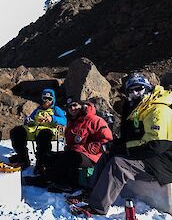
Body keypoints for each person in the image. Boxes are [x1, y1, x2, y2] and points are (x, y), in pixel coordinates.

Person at [71, 73, 172, 215]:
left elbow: (156, 145)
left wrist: (123, 149)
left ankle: (97, 207)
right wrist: (114, 146)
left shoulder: (157, 109)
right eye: (131, 91)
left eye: (139, 89)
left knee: (118, 164)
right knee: (107, 155)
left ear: (148, 89)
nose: (135, 93)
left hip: (161, 161)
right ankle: (91, 193)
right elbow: (130, 138)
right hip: (146, 155)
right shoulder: (138, 109)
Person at [24, 98, 113, 191]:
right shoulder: (73, 122)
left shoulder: (94, 120)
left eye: (75, 105)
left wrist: (91, 147)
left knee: (68, 157)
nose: (72, 108)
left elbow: (107, 139)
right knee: (51, 156)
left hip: (93, 156)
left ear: (82, 106)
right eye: (70, 107)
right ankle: (57, 179)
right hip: (76, 153)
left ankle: (46, 180)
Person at [9, 88, 67, 172]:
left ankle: (41, 163)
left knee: (44, 136)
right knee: (17, 131)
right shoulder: (37, 109)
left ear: (53, 100)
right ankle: (23, 159)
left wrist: (52, 118)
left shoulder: (56, 109)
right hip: (33, 129)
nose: (46, 101)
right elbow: (29, 119)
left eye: (49, 99)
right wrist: (28, 121)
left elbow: (64, 120)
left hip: (48, 129)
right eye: (44, 98)